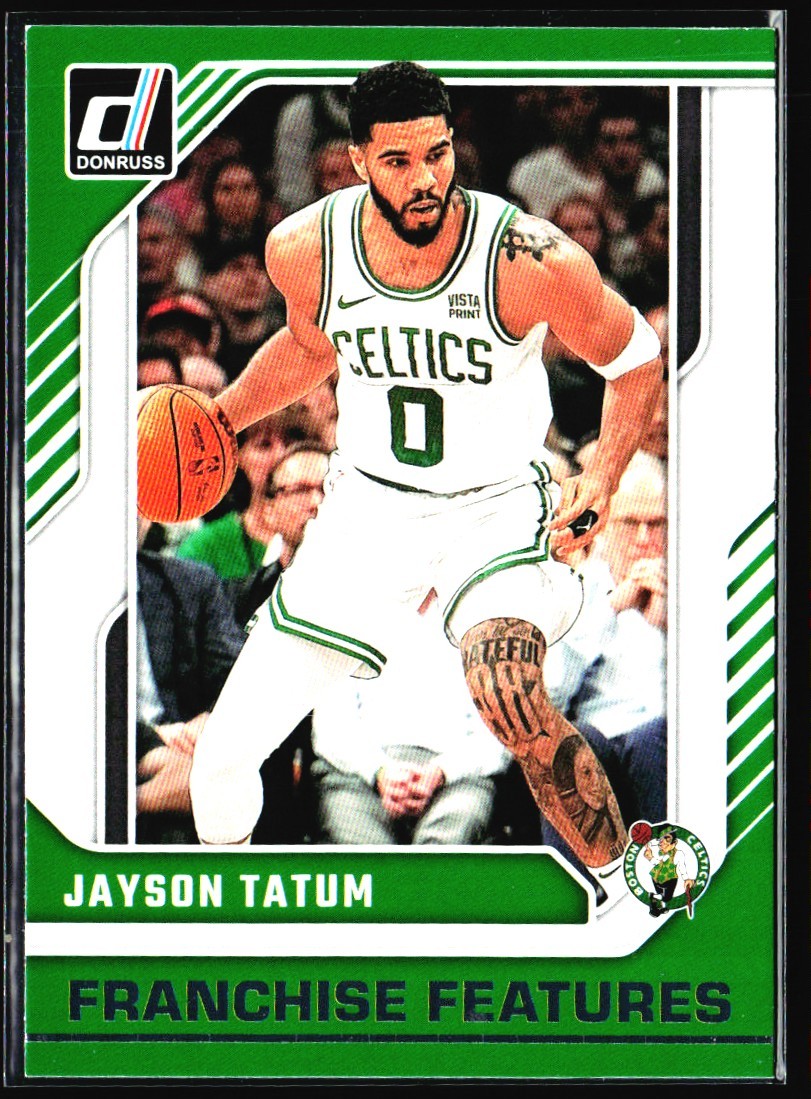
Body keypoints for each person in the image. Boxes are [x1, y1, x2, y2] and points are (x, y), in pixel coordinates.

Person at [185, 62, 662, 869]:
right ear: (358, 160)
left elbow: (636, 356)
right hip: (368, 512)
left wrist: (603, 475)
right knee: (222, 759)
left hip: (494, 506)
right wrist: (224, 416)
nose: (424, 179)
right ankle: (224, 919)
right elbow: (308, 346)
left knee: (506, 684)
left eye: (436, 154)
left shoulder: (524, 256)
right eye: (398, 161)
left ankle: (625, 888)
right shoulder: (306, 248)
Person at [310, 599, 511, 845]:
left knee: (446, 845)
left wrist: (442, 771)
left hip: (455, 777)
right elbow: (330, 725)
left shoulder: (484, 621)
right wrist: (379, 771)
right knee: (362, 850)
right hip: (361, 774)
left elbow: (499, 731)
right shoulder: (351, 616)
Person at [136, 517, 246, 843]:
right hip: (101, 755)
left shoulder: (191, 583)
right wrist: (148, 742)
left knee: (223, 787)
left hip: (187, 752)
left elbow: (241, 678)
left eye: (138, 503)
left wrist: (211, 720)